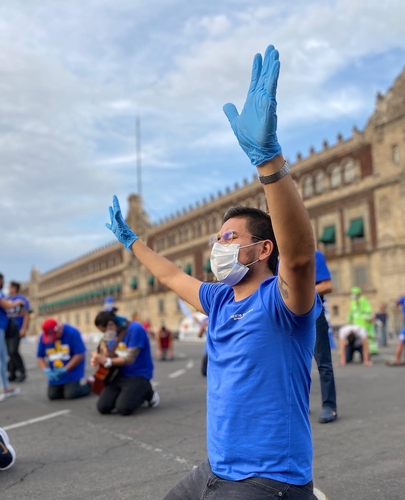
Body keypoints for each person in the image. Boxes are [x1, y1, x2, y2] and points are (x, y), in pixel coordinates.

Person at [107, 46, 319, 498]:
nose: (216, 246)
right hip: (215, 470)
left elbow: (299, 259)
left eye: (227, 238)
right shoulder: (220, 299)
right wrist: (131, 242)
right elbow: (168, 276)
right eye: (216, 237)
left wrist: (267, 160)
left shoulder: (285, 303)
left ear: (262, 249)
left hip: (268, 480)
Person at [91, 309, 157, 415]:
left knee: (124, 408)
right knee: (103, 407)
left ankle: (149, 391)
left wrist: (106, 360)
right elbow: (111, 355)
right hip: (120, 374)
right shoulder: (112, 334)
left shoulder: (136, 329)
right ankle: (129, 394)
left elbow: (130, 358)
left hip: (139, 374)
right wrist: (98, 358)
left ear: (110, 324)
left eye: (104, 331)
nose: (104, 334)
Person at [0, 271, 22, 402]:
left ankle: (5, 387)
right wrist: (17, 301)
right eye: (2, 280)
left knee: (2, 357)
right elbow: (6, 305)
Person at [36, 318, 91, 400]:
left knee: (71, 394)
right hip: (56, 371)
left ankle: (90, 385)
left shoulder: (72, 332)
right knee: (53, 395)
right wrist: (46, 370)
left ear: (59, 328)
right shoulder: (44, 337)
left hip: (72, 371)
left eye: (55, 335)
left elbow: (79, 355)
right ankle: (64, 387)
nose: (54, 338)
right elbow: (40, 356)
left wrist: (65, 369)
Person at [313, 250, 338, 423]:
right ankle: (296, 406)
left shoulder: (313, 255)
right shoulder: (277, 259)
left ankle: (329, 406)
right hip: (287, 316)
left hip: (312, 313)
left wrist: (296, 293)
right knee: (291, 363)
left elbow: (326, 285)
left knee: (323, 363)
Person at [6, 281, 30, 382]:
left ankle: (22, 371)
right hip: (7, 329)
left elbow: (26, 315)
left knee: (13, 351)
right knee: (9, 352)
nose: (8, 288)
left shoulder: (21, 300)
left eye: (10, 286)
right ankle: (12, 373)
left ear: (14, 288)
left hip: (16, 328)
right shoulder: (6, 300)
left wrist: (23, 328)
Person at [347, 286, 377, 355]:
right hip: (357, 322)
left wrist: (367, 318)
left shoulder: (363, 300)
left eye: (353, 293)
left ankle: (372, 349)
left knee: (368, 335)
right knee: (359, 336)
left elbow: (368, 310)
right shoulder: (353, 302)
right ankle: (363, 350)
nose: (352, 295)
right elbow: (351, 312)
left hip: (365, 322)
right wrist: (349, 319)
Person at [387, 296, 405, 366]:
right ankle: (397, 359)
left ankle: (397, 360)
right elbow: (397, 303)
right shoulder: (403, 298)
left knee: (400, 342)